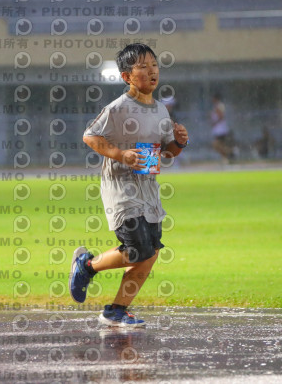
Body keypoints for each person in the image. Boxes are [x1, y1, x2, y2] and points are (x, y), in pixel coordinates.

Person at [69, 43, 189, 327]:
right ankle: (87, 265)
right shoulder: (118, 108)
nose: (152, 71)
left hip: (148, 189)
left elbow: (168, 153)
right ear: (126, 77)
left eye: (154, 65)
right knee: (138, 250)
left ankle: (116, 311)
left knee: (150, 253)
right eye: (143, 67)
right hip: (121, 188)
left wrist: (179, 142)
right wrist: (121, 154)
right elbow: (90, 136)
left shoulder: (161, 110)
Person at [210, 93, 235, 163]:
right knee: (220, 145)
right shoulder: (217, 106)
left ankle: (231, 153)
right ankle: (226, 157)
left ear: (216, 98)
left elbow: (221, 116)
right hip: (218, 130)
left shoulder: (219, 106)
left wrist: (215, 122)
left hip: (221, 130)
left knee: (216, 145)